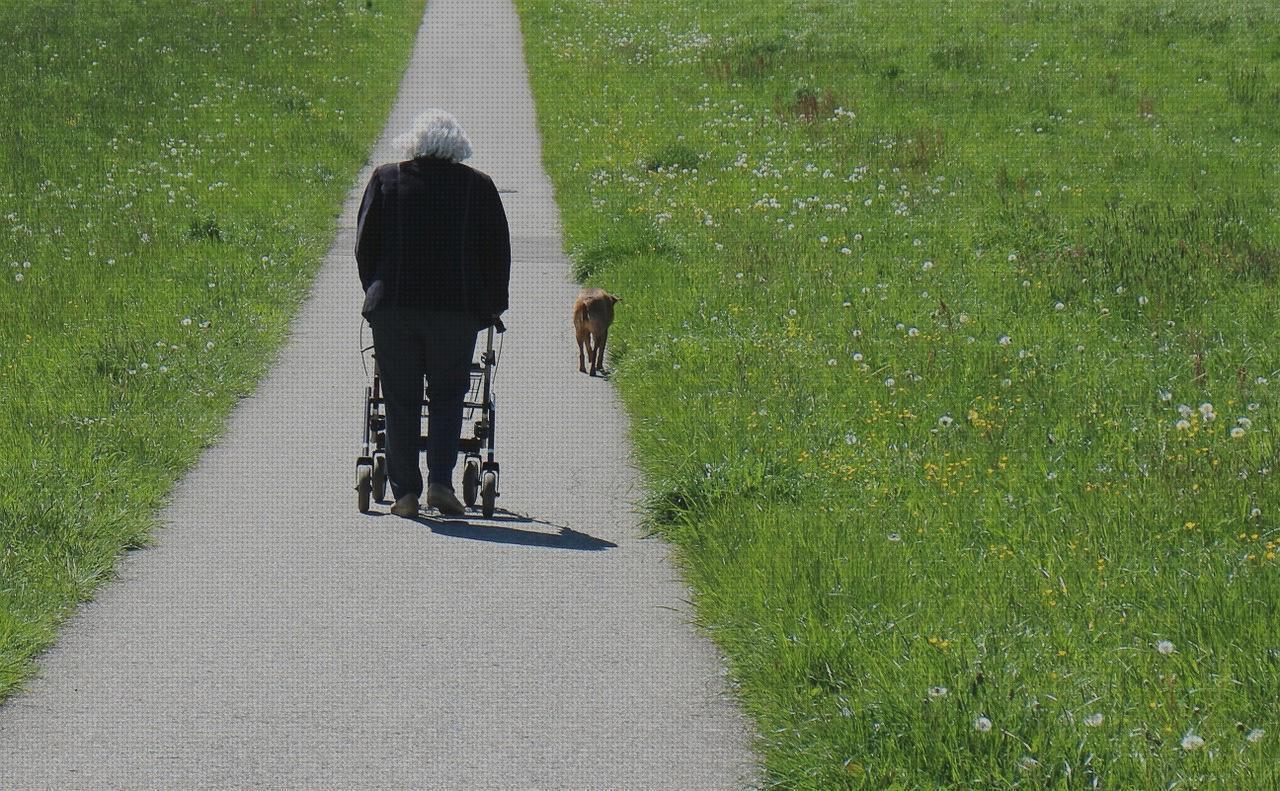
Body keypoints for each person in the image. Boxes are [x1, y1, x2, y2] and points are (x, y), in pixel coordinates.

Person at [355, 109, 511, 517]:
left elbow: (365, 246)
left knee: (400, 398)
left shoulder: (387, 179)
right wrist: (491, 306)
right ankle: (441, 481)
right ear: (457, 147)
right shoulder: (479, 187)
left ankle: (405, 492)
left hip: (395, 308)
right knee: (448, 395)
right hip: (455, 312)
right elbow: (498, 254)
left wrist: (375, 290)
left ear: (413, 144)